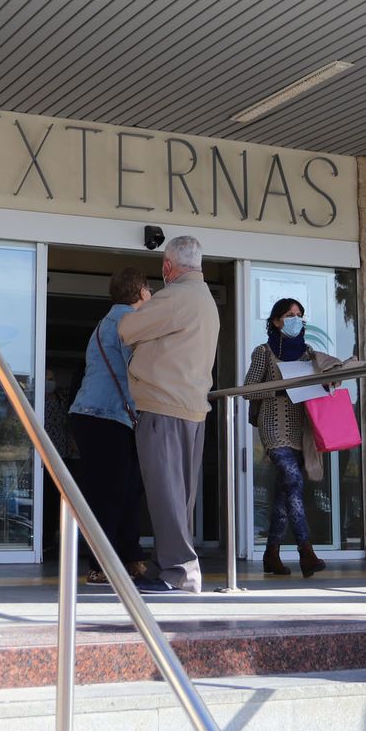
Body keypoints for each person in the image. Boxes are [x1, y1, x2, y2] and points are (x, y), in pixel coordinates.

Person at [118, 236, 219, 594]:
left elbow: (126, 329)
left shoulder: (175, 296)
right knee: (179, 495)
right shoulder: (205, 299)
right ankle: (165, 564)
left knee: (165, 493)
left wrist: (141, 314)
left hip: (164, 407)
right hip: (191, 408)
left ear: (167, 267)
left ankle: (179, 572)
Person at [243, 297, 342, 578]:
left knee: (285, 491)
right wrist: (278, 391)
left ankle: (271, 554)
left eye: (299, 314)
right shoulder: (263, 352)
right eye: (289, 314)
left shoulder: (308, 353)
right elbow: (248, 390)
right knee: (294, 480)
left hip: (301, 429)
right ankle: (305, 550)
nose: (296, 319)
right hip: (273, 425)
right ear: (276, 321)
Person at [68, 266, 151, 586]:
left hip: (95, 416)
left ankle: (130, 555)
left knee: (125, 488)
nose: (152, 296)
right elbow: (140, 367)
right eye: (149, 290)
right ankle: (102, 563)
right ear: (142, 292)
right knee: (113, 492)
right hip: (107, 417)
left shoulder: (105, 321)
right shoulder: (127, 321)